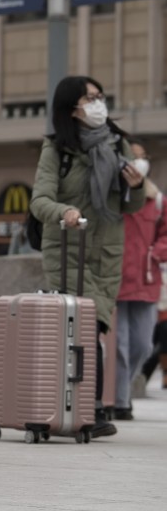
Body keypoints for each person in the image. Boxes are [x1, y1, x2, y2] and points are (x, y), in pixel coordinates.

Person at [29, 75, 146, 438]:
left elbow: (131, 205)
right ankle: (89, 409)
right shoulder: (57, 150)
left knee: (93, 327)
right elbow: (39, 200)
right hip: (67, 247)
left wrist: (136, 186)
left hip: (106, 251)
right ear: (72, 108)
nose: (98, 104)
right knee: (85, 325)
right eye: (90, 98)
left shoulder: (118, 144)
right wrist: (63, 210)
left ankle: (84, 406)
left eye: (100, 96)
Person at [114, 142, 167, 419]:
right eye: (133, 157)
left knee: (143, 345)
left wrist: (156, 253)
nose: (139, 162)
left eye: (142, 157)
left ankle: (119, 393)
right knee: (118, 346)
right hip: (116, 281)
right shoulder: (114, 197)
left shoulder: (157, 200)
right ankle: (120, 402)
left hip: (146, 282)